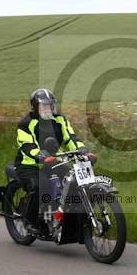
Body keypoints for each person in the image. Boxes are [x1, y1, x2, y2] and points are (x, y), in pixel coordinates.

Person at [14, 88, 95, 234]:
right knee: (39, 186)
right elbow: (27, 146)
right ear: (35, 107)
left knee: (72, 183)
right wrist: (42, 156)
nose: (47, 108)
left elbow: (70, 137)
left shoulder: (59, 120)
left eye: (50, 105)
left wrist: (83, 150)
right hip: (29, 165)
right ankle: (30, 221)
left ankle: (66, 218)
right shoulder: (26, 124)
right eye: (43, 105)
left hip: (53, 162)